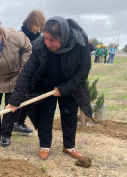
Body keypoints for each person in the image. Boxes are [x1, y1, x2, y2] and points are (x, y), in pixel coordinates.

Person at [6, 16, 92, 160]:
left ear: (63, 37)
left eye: (52, 40)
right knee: (45, 115)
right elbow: (27, 72)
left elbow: (83, 71)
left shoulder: (80, 43)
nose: (47, 43)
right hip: (46, 84)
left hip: (70, 85)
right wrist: (15, 100)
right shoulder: (40, 45)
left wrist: (64, 89)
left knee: (70, 114)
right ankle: (44, 145)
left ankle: (69, 146)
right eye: (45, 38)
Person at [0, 14, 32, 147]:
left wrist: (23, 66)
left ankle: (6, 135)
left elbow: (28, 47)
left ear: (1, 34)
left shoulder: (15, 36)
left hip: (15, 77)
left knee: (10, 107)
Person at [14, 10, 46, 134]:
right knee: (20, 97)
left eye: (40, 26)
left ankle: (19, 122)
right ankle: (16, 122)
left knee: (29, 99)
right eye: (36, 25)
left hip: (35, 74)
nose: (38, 29)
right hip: (21, 72)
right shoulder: (21, 35)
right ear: (29, 23)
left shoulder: (40, 38)